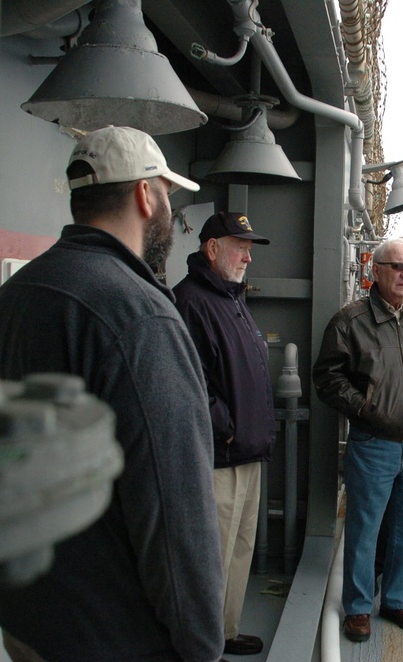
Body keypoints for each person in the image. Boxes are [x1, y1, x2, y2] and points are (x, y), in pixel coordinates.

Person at [0, 126, 226, 662]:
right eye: (166, 195)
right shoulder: (141, 315)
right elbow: (174, 505)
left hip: (25, 615)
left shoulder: (15, 295)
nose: (167, 209)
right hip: (113, 636)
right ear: (145, 194)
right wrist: (203, 646)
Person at [313, 238, 403, 643]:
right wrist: (365, 409)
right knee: (365, 527)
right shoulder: (350, 321)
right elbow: (328, 377)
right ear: (376, 271)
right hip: (374, 443)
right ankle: (357, 606)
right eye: (398, 266)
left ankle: (398, 599)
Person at [172, 211, 275, 658]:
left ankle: (225, 631)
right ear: (212, 248)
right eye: (241, 246)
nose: (248, 257)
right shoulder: (190, 301)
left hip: (247, 453)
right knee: (212, 558)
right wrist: (227, 431)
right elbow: (189, 382)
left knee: (239, 550)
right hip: (220, 458)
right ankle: (201, 644)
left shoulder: (231, 298)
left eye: (250, 248)